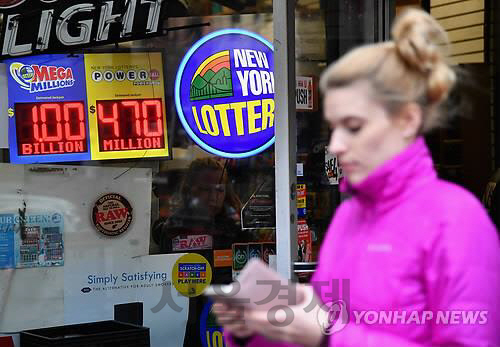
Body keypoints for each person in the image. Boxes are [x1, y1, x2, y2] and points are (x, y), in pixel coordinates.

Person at [213, 8, 500, 347]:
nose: (336, 145)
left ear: (407, 119)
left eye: (353, 127)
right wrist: (255, 330)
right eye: (333, 127)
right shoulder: (349, 216)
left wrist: (327, 336)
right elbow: (315, 329)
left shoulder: (457, 220)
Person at [152, 158, 246, 347]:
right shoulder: (174, 228)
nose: (213, 197)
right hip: (185, 320)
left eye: (219, 189)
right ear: (190, 190)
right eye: (205, 189)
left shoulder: (237, 225)